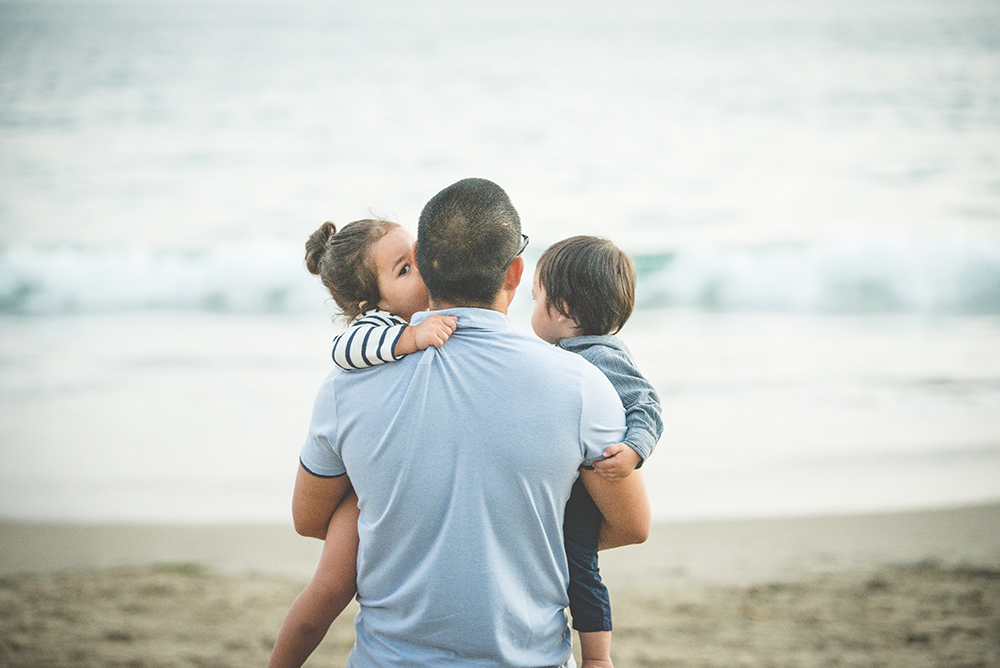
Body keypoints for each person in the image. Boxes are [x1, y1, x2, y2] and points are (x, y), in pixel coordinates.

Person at [289, 178, 650, 668]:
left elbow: (309, 520)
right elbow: (630, 525)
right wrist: (514, 520)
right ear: (516, 271)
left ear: (422, 259)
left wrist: (397, 503)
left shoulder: (345, 386)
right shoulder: (583, 385)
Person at [268, 217, 457, 668]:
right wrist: (411, 338)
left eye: (417, 256)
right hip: (363, 489)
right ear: (370, 303)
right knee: (331, 586)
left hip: (385, 487)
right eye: (404, 270)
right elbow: (345, 348)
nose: (422, 270)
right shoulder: (373, 332)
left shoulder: (424, 319)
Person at [530, 235, 663, 668]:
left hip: (591, 486)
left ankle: (597, 658)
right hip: (572, 478)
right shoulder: (566, 352)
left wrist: (633, 452)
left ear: (562, 308)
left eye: (536, 297)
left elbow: (647, 404)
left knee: (580, 565)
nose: (531, 309)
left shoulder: (601, 357)